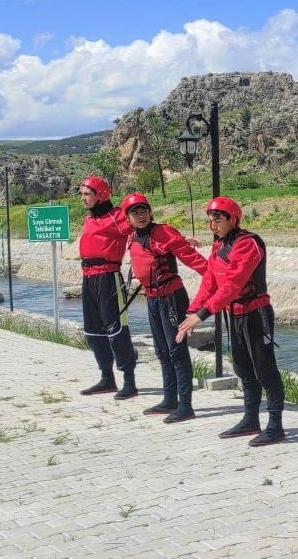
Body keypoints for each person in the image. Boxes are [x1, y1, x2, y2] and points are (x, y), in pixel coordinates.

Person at [175, 196, 285, 446]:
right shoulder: (219, 246)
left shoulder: (248, 244)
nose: (212, 224)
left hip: (256, 313)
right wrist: (191, 311)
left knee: (265, 369)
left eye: (218, 218)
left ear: (233, 219)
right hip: (235, 313)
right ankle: (250, 419)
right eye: (210, 219)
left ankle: (276, 425)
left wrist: (202, 315)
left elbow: (233, 284)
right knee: (243, 368)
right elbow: (211, 283)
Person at [121, 193, 208, 423]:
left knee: (176, 351)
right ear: (128, 218)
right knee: (161, 350)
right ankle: (170, 399)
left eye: (143, 210)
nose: (140, 215)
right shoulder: (133, 236)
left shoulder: (163, 232)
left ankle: (186, 405)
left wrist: (215, 277)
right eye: (134, 212)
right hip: (152, 298)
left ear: (150, 212)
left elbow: (192, 258)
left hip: (171, 297)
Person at [77, 176, 139, 399]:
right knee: (93, 332)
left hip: (108, 277)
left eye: (87, 194)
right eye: (82, 193)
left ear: (100, 195)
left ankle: (129, 382)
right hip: (88, 278)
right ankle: (107, 379)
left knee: (116, 330)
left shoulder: (117, 216)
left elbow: (140, 230)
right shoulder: (89, 219)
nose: (82, 198)